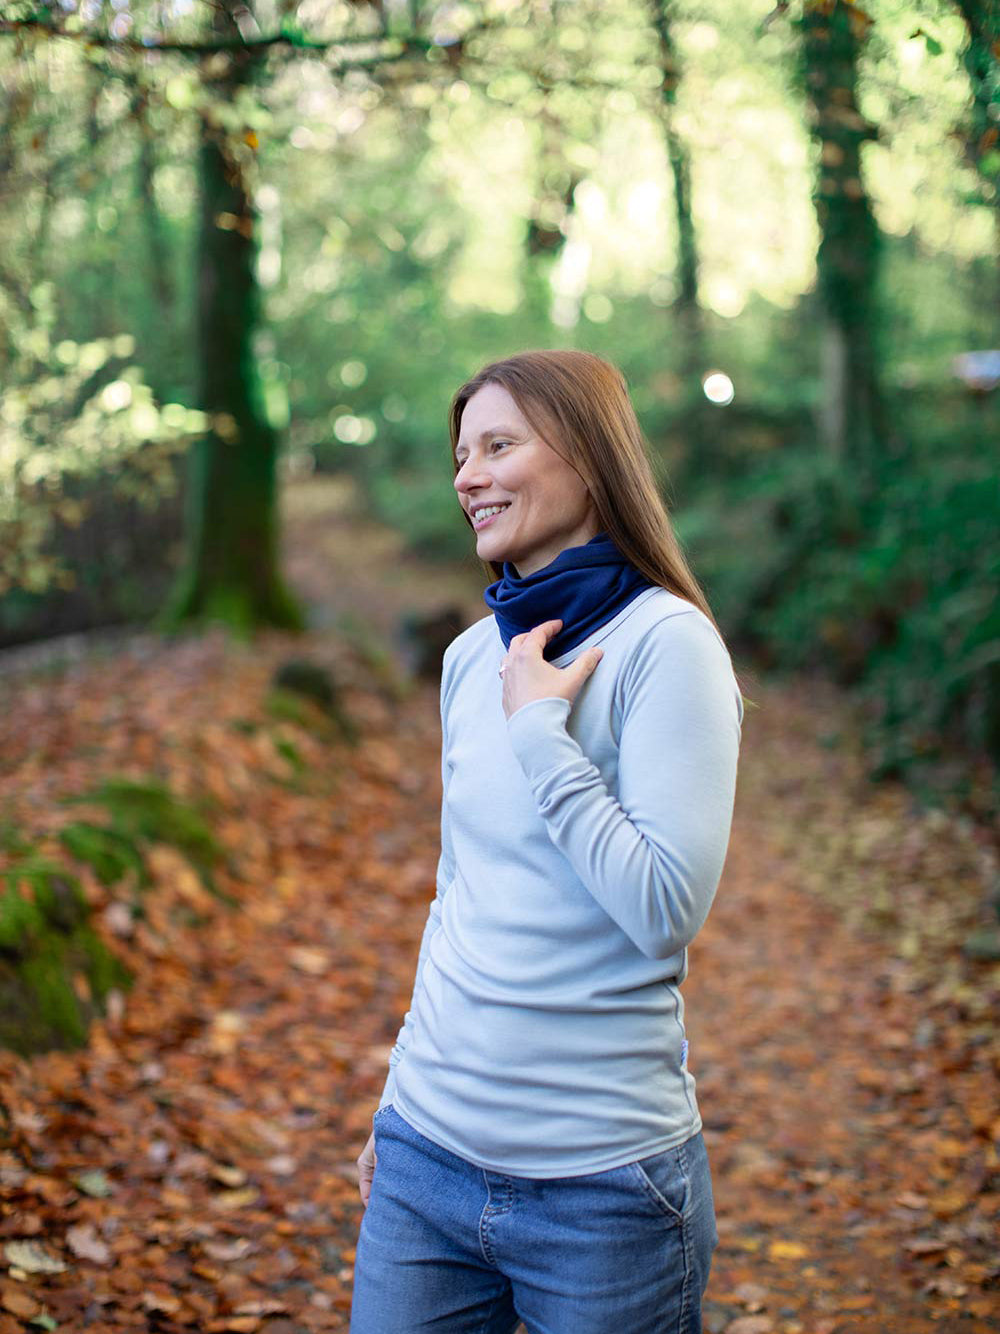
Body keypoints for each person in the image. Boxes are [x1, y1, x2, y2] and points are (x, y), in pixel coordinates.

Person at [349, 349, 744, 1334]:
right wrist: (399, 1100)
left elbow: (662, 910)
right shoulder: (467, 656)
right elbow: (460, 891)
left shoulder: (669, 643)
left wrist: (540, 733)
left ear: (588, 452)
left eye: (498, 445)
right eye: (459, 454)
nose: (466, 476)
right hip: (426, 1155)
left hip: (601, 1187)